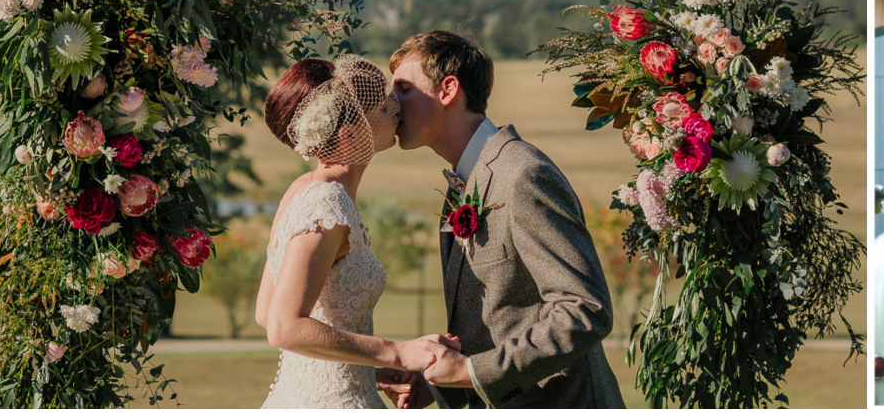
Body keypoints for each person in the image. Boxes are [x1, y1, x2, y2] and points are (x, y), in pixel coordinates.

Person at [376, 31, 626, 409]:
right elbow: (500, 317)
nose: (391, 102)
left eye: (404, 88)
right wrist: (441, 382)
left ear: (447, 90)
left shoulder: (523, 176)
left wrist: (471, 373)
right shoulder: (462, 181)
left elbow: (584, 309)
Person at [255, 54, 460, 408]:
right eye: (382, 108)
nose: (395, 108)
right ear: (351, 134)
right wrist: (396, 353)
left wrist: (369, 372)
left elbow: (265, 310)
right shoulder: (326, 206)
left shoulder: (302, 189)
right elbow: (282, 326)